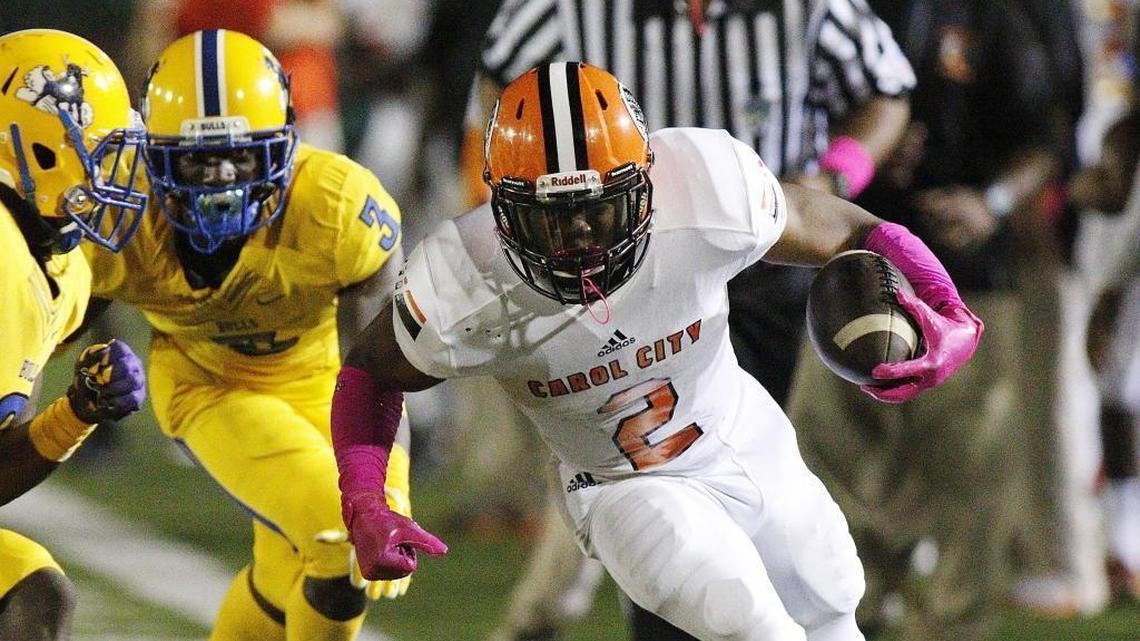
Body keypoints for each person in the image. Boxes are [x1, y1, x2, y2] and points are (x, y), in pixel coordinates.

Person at [330, 62, 983, 641]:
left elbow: (830, 224)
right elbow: (371, 371)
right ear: (503, 211)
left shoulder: (703, 186)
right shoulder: (463, 278)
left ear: (645, 185)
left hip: (740, 432)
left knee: (833, 599)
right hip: (618, 486)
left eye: (600, 207)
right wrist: (364, 496)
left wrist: (942, 298)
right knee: (751, 621)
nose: (580, 235)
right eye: (551, 215)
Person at [465, 2, 915, 637]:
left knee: (776, 487)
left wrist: (835, 176)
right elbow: (496, 91)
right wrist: (528, 218)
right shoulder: (565, 9)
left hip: (772, 267)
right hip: (615, 282)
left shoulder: (808, 7)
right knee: (645, 493)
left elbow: (886, 90)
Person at [82, 29, 411, 641]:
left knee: (282, 576)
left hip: (327, 388)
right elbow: (42, 325)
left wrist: (382, 487)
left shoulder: (335, 206)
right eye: (197, 160)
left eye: (241, 155)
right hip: (210, 388)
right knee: (337, 540)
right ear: (153, 156)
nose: (221, 179)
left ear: (283, 146)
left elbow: (379, 368)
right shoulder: (123, 214)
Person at [789, 0, 1063, 637]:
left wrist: (991, 202)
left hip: (967, 283)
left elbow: (1045, 139)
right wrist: (861, 153)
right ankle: (846, 619)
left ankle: (950, 626)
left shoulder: (990, 18)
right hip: (848, 281)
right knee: (826, 467)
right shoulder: (834, 15)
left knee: (970, 477)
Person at [0, 28, 147, 641]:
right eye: (98, 150)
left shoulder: (56, 261)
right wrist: (76, 414)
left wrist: (79, 408)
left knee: (33, 592)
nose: (114, 171)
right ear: (36, 150)